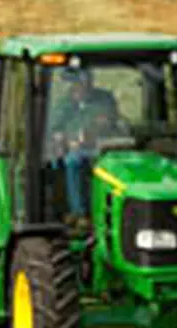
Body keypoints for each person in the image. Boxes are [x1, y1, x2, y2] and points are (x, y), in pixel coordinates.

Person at [48, 68, 128, 222]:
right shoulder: (64, 105)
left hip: (104, 147)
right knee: (72, 161)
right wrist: (67, 140)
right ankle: (79, 212)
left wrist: (98, 129)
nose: (81, 87)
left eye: (85, 82)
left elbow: (111, 121)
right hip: (76, 149)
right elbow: (55, 129)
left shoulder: (104, 99)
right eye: (77, 83)